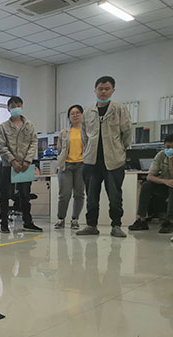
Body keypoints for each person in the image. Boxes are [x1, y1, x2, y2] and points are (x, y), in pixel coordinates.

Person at [77, 76, 132, 238]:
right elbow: (84, 136)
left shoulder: (120, 109)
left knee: (115, 196)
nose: (103, 92)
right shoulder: (88, 112)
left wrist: (119, 150)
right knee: (91, 196)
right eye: (100, 88)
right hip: (91, 161)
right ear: (95, 90)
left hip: (114, 161)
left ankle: (116, 225)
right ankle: (91, 225)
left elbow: (127, 133)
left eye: (107, 89)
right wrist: (88, 150)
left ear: (113, 90)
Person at [0, 96, 42, 234]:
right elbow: (1, 146)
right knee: (5, 195)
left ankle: (28, 222)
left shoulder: (29, 125)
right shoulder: (3, 127)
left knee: (25, 195)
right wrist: (13, 161)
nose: (16, 108)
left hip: (25, 165)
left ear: (22, 107)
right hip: (8, 165)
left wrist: (27, 160)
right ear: (8, 108)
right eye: (13, 106)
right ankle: (4, 223)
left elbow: (33, 143)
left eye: (18, 105)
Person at [128, 135, 173, 233]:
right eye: (167, 147)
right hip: (165, 184)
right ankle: (142, 220)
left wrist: (171, 160)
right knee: (146, 185)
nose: (169, 150)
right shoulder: (161, 155)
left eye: (171, 147)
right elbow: (150, 176)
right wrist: (165, 181)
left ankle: (169, 221)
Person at [55, 105, 85, 230]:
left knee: (79, 194)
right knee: (64, 194)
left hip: (82, 165)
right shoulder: (64, 132)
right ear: (69, 117)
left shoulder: (86, 131)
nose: (75, 115)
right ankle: (61, 219)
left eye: (77, 113)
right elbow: (60, 149)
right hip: (66, 165)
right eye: (72, 113)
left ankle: (75, 219)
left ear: (82, 115)